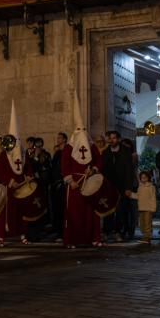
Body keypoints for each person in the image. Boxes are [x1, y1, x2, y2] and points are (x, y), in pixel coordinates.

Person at [62, 96, 103, 248]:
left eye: (84, 130)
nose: (82, 133)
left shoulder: (91, 146)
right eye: (79, 130)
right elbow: (65, 165)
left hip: (89, 182)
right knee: (74, 213)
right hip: (74, 185)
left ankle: (93, 238)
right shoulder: (68, 147)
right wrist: (70, 180)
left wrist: (93, 169)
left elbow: (98, 161)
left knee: (90, 212)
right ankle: (72, 240)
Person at [0, 101, 33, 246]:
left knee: (21, 212)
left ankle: (22, 235)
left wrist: (28, 175)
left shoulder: (23, 154)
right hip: (8, 188)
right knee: (5, 213)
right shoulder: (4, 155)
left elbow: (27, 167)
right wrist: (9, 181)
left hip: (21, 186)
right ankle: (1, 236)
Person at [102, 130, 137, 241]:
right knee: (108, 209)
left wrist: (128, 187)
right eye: (110, 138)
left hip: (122, 186)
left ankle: (118, 231)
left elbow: (129, 170)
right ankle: (107, 232)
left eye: (114, 138)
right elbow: (103, 169)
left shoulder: (126, 151)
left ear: (118, 139)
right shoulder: (105, 152)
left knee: (121, 210)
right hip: (109, 186)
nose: (111, 140)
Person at [50, 132, 69, 241]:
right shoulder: (57, 153)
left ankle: (63, 231)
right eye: (57, 137)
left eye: (60, 138)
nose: (58, 139)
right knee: (56, 208)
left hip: (63, 184)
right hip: (55, 184)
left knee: (63, 208)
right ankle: (58, 231)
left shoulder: (67, 151)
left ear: (65, 140)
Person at [133, 171, 157, 244]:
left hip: (148, 209)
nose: (143, 179)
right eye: (142, 177)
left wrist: (153, 208)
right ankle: (145, 236)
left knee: (147, 224)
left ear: (148, 178)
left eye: (145, 177)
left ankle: (147, 237)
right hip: (141, 208)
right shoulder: (139, 187)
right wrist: (131, 194)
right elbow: (137, 196)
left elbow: (153, 198)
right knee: (142, 224)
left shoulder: (151, 187)